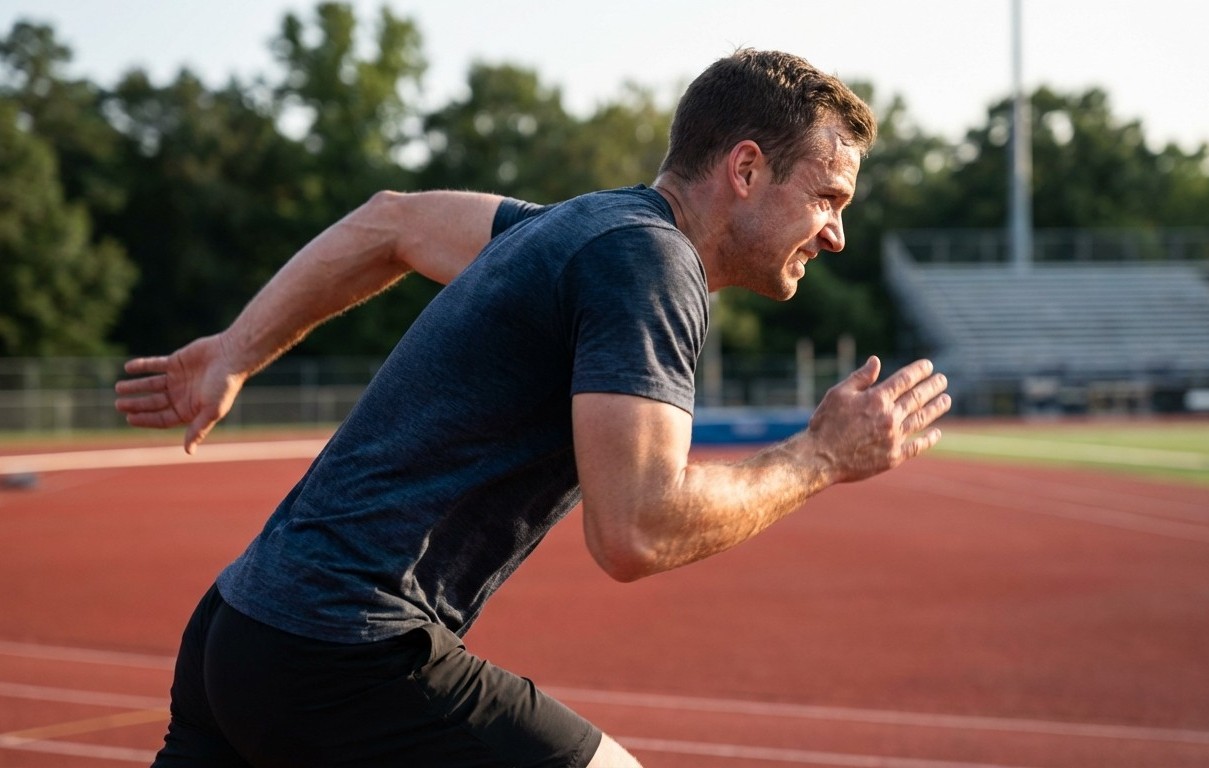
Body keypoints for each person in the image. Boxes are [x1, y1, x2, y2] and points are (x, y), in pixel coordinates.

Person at [115, 49, 951, 768]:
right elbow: (636, 529)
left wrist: (235, 351)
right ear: (744, 170)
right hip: (342, 646)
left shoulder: (573, 232)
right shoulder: (649, 262)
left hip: (240, 627)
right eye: (827, 197)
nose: (835, 233)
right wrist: (819, 457)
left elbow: (389, 223)